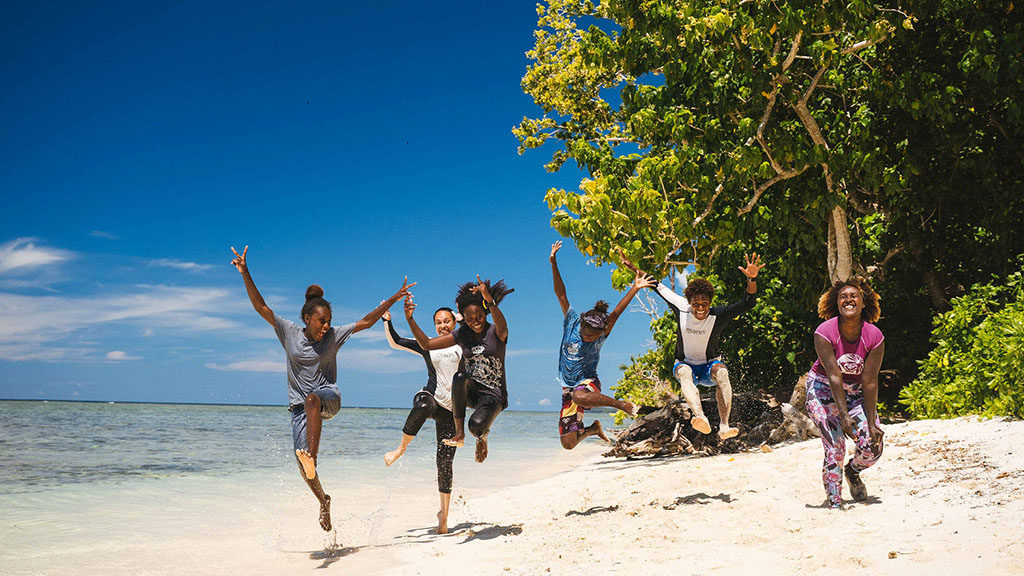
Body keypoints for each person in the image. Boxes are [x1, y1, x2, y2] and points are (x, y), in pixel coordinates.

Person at [230, 245, 414, 531]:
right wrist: (245, 272)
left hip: (328, 399)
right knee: (303, 469)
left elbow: (366, 322)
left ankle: (313, 457)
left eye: (328, 321)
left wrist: (393, 298)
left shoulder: (334, 336)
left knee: (312, 402)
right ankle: (324, 501)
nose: (327, 326)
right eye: (321, 321)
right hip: (299, 411)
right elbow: (260, 307)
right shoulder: (288, 331)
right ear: (307, 319)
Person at [629, 253, 763, 440]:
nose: (700, 308)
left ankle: (724, 426)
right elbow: (654, 283)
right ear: (689, 302)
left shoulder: (718, 315)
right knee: (684, 372)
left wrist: (752, 278)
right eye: (696, 304)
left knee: (723, 372)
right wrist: (632, 267)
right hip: (685, 365)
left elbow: (748, 303)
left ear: (711, 303)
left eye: (705, 304)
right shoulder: (680, 306)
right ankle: (700, 417)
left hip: (708, 367)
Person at [549, 241, 650, 449]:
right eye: (587, 336)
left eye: (594, 338)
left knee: (579, 396)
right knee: (568, 443)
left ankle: (622, 405)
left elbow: (616, 314)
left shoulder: (601, 333)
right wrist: (553, 262)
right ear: (582, 325)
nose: (590, 339)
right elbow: (560, 294)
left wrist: (635, 288)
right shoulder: (573, 321)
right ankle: (593, 429)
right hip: (568, 387)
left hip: (588, 382)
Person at [406, 276, 514, 463]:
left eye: (479, 316)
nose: (475, 321)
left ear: (485, 313)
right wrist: (410, 319)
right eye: (470, 318)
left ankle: (482, 436)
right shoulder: (462, 333)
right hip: (471, 392)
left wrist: (489, 300)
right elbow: (427, 344)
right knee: (460, 376)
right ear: (464, 318)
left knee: (477, 427)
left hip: (493, 396)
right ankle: (459, 434)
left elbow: (502, 324)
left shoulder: (496, 332)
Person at [381, 299, 462, 534]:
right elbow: (396, 342)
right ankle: (401, 448)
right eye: (438, 322)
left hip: (451, 411)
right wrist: (388, 321)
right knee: (424, 406)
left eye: (447, 321)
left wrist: (463, 315)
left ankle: (444, 516)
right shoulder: (428, 344)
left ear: (454, 322)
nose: (442, 326)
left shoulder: (463, 345)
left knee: (444, 462)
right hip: (430, 398)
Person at [804, 277, 885, 509]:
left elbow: (869, 381)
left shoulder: (874, 336)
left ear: (863, 303)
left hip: (856, 392)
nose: (848, 299)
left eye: (853, 296)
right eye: (843, 296)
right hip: (822, 388)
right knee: (836, 444)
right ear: (836, 303)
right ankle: (834, 502)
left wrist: (871, 422)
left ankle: (852, 471)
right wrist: (843, 414)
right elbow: (833, 375)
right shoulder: (825, 332)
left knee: (873, 446)